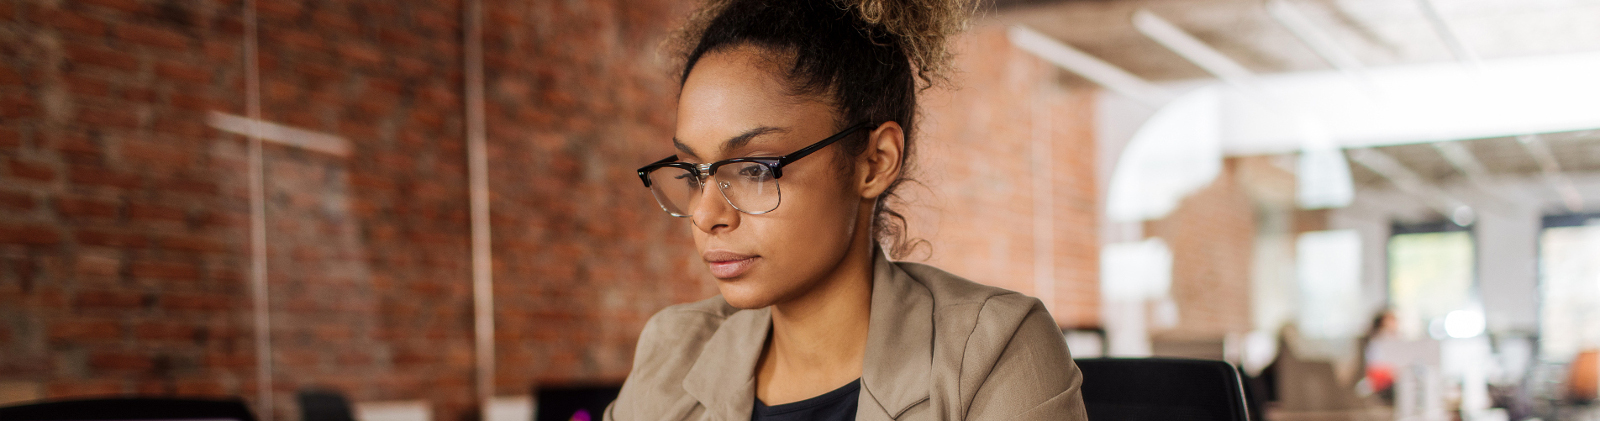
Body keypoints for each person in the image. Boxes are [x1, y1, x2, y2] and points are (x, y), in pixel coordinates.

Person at [604, 0, 1087, 419]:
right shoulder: (675, 350)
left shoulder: (991, 352)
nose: (706, 216)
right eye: (693, 173)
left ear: (875, 163)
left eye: (753, 170)